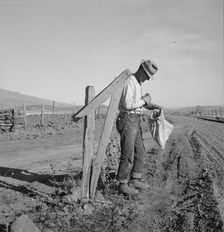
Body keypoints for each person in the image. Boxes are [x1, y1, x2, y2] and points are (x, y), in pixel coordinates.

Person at [116, 59, 162, 195]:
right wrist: (144, 100)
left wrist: (150, 105)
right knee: (128, 152)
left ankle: (135, 179)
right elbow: (128, 104)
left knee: (140, 151)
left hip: (134, 119)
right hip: (127, 119)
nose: (147, 79)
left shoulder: (137, 83)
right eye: (147, 76)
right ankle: (122, 185)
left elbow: (136, 103)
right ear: (141, 70)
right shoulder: (130, 81)